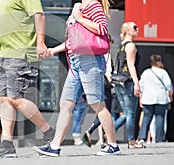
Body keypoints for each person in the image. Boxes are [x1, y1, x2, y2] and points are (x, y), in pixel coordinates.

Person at [34, 0, 120, 156]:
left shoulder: (94, 5)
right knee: (66, 103)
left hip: (90, 61)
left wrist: (80, 18)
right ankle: (55, 146)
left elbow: (102, 28)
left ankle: (113, 145)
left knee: (96, 103)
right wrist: (53, 50)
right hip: (76, 62)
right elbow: (74, 39)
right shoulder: (79, 7)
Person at [0, 0, 55, 159]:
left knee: (15, 99)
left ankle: (49, 133)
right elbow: (5, 24)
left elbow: (39, 14)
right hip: (4, 54)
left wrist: (41, 42)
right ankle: (7, 145)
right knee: (4, 100)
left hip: (20, 52)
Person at [113, 22, 144, 148]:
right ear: (128, 31)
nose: (138, 29)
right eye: (135, 28)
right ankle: (131, 141)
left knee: (126, 113)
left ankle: (108, 134)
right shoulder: (130, 46)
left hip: (119, 82)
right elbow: (131, 65)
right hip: (128, 82)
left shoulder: (121, 46)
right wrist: (137, 83)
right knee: (130, 113)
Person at [81, 34, 114, 148]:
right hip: (105, 86)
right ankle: (92, 133)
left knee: (102, 111)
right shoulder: (105, 55)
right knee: (105, 111)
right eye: (110, 41)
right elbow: (108, 72)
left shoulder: (97, 54)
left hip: (98, 84)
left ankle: (104, 140)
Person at [137, 55, 173, 144]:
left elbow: (140, 86)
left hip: (148, 98)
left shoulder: (145, 72)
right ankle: (160, 138)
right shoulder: (163, 72)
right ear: (158, 62)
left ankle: (142, 137)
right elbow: (169, 86)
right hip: (161, 98)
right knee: (160, 118)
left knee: (146, 118)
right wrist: (171, 96)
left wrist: (140, 98)